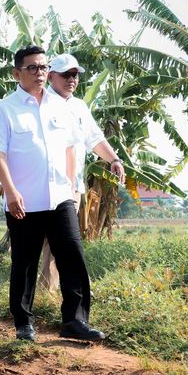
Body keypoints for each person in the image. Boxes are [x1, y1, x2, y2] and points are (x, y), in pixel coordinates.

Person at [0, 45, 104, 342]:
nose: (39, 73)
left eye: (43, 67)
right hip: (24, 200)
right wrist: (11, 191)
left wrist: (70, 187)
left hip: (60, 197)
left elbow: (70, 148)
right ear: (17, 73)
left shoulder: (59, 106)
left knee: (72, 257)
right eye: (33, 68)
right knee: (25, 263)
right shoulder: (5, 109)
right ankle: (24, 322)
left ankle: (75, 320)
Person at [38, 54, 126, 291]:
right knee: (49, 240)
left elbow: (94, 138)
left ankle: (52, 290)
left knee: (62, 239)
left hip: (73, 185)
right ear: (51, 76)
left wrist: (114, 159)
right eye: (66, 74)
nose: (72, 79)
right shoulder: (40, 103)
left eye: (75, 75)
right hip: (45, 183)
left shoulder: (79, 106)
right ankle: (50, 291)